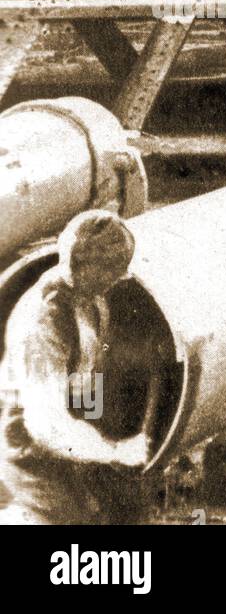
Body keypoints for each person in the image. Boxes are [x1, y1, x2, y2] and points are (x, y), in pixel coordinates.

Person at [0, 211, 151, 524]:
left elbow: (86, 382)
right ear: (84, 266)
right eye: (112, 270)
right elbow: (45, 425)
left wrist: (98, 443)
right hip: (27, 449)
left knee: (126, 505)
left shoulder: (92, 302)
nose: (117, 279)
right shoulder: (44, 323)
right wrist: (112, 451)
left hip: (69, 439)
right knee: (69, 521)